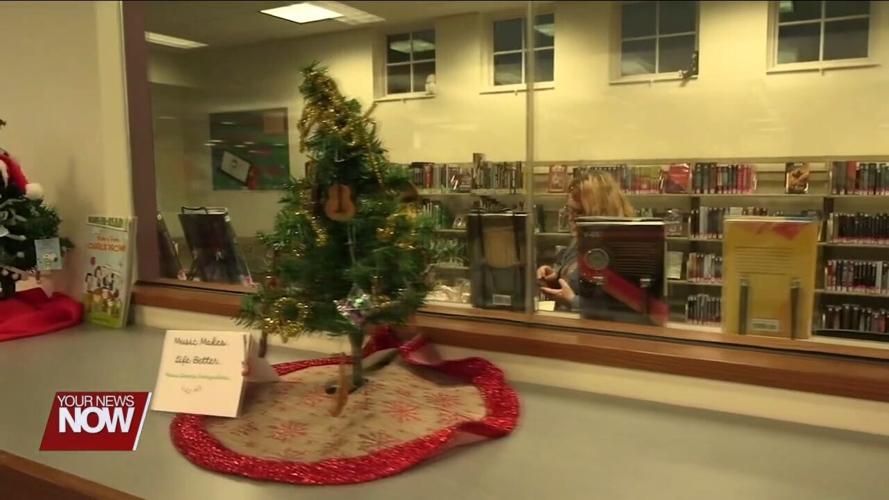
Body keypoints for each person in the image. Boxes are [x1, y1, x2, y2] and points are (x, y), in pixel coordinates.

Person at [537, 170, 635, 310]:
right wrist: (554, 276)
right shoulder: (581, 239)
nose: (570, 218)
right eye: (569, 210)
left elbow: (619, 309)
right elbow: (573, 278)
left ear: (600, 212)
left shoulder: (622, 250)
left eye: (578, 212)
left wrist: (572, 301)